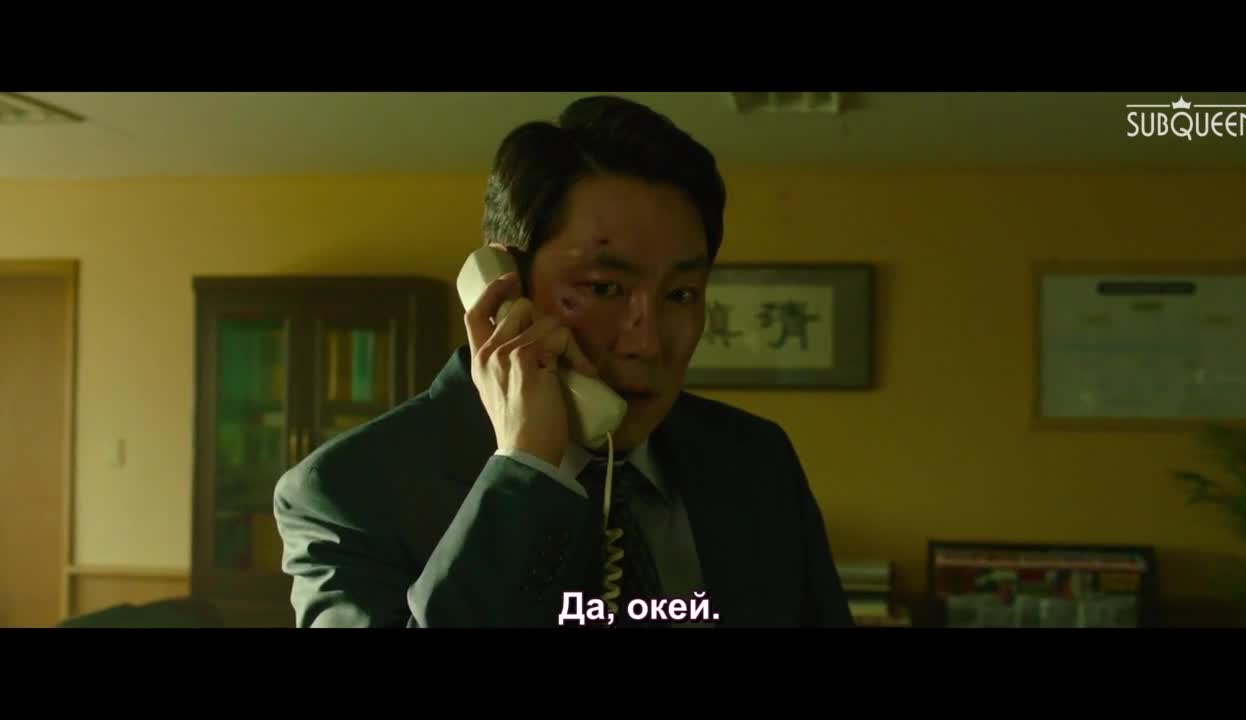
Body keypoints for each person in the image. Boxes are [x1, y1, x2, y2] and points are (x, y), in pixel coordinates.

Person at [273, 95, 851, 628]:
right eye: (604, 289)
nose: (648, 343)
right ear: (504, 289)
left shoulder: (756, 460)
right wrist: (525, 470)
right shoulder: (348, 493)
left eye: (680, 295)